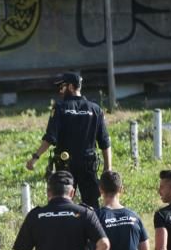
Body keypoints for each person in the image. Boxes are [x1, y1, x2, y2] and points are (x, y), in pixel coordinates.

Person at [25, 72, 112, 210]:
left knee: (63, 203)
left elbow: (50, 137)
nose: (59, 91)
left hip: (65, 165)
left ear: (71, 87)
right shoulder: (95, 109)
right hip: (88, 165)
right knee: (92, 206)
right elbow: (105, 142)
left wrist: (35, 157)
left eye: (62, 87)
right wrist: (108, 168)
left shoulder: (60, 108)